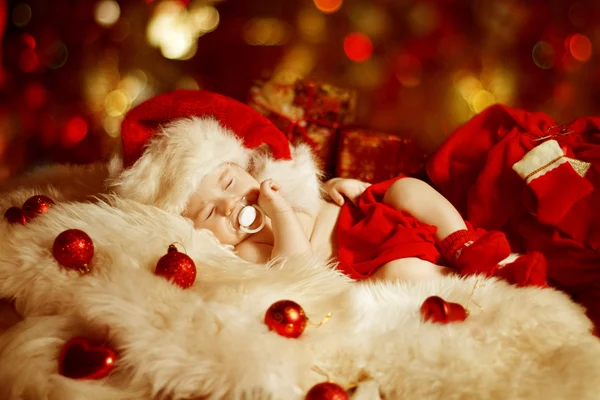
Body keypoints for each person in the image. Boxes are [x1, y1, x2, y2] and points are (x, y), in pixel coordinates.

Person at [108, 89, 547, 286]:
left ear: (243, 166)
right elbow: (297, 267)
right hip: (370, 257)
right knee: (401, 276)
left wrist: (347, 184)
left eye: (228, 182)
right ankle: (476, 279)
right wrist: (280, 216)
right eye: (209, 214)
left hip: (372, 214)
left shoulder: (276, 178)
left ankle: (461, 239)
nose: (229, 206)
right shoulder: (248, 250)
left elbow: (321, 197)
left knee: (407, 190)